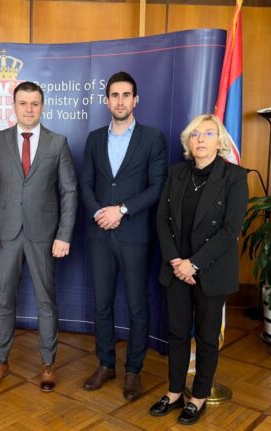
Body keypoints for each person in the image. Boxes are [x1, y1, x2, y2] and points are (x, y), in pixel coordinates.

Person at [0, 81, 78, 392]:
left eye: (35, 103)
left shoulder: (57, 142)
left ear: (42, 106)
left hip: (44, 235)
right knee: (3, 300)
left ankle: (48, 364)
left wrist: (64, 235)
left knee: (46, 301)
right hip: (5, 234)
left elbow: (69, 192)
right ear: (14, 106)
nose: (29, 109)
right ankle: (0, 361)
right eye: (23, 103)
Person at [150, 114, 248, 425]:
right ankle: (174, 392)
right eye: (195, 134)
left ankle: (199, 396)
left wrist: (193, 264)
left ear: (219, 142)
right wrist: (176, 262)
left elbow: (230, 230)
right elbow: (162, 220)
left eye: (208, 133)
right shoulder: (177, 173)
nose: (201, 139)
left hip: (211, 270)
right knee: (177, 333)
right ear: (188, 142)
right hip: (177, 268)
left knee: (206, 337)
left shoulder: (234, 176)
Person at [79, 71, 167, 400]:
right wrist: (99, 213)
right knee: (102, 304)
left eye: (126, 95)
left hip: (134, 234)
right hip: (100, 233)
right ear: (106, 101)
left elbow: (157, 186)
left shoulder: (152, 138)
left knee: (136, 305)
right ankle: (105, 364)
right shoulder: (93, 139)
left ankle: (133, 370)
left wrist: (122, 210)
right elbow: (86, 183)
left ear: (135, 100)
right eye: (114, 95)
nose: (120, 101)